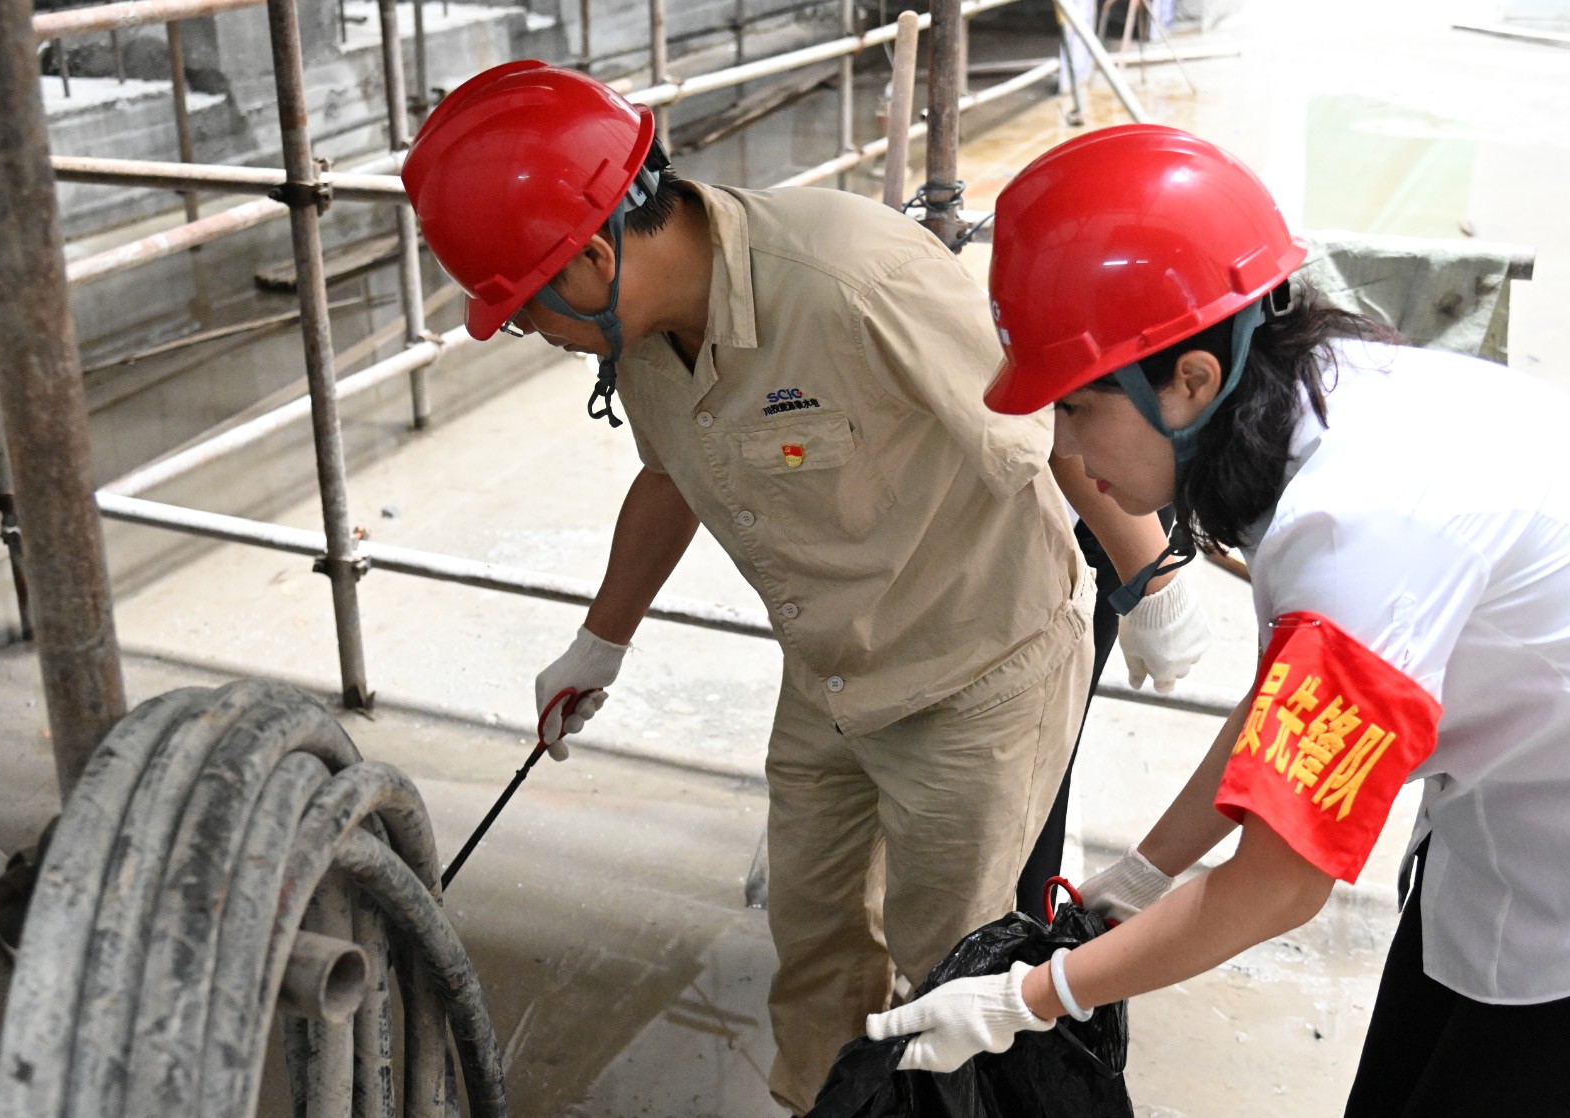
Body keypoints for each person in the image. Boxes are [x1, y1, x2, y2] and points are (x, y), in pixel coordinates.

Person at [400, 64, 1205, 1113]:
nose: (535, 335)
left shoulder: (853, 280)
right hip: (829, 672)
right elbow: (671, 474)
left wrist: (1151, 573)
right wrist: (601, 642)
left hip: (975, 674)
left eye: (521, 313)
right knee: (813, 933)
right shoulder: (641, 335)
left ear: (593, 258)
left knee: (949, 967)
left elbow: (1046, 421)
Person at [866, 122, 1570, 1115]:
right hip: (1504, 818)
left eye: (1078, 409)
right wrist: (1145, 871)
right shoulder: (1332, 392)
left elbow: (1277, 884)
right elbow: (1287, 716)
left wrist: (1027, 997)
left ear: (1191, 379)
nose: (1068, 450)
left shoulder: (1359, 537)